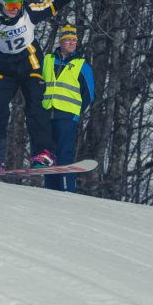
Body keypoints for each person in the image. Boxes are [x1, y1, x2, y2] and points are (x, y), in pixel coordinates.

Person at [0, 0, 84, 173]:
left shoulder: (28, 13)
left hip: (31, 66)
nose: (15, 9)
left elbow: (51, 5)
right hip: (6, 70)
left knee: (36, 107)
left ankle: (42, 153)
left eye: (18, 4)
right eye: (11, 6)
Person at [41, 24, 95, 192]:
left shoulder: (81, 65)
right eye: (68, 39)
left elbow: (89, 94)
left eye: (74, 40)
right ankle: (50, 188)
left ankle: (67, 189)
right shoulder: (48, 59)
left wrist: (76, 113)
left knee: (64, 154)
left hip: (67, 115)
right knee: (47, 155)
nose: (72, 43)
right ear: (61, 41)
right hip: (47, 113)